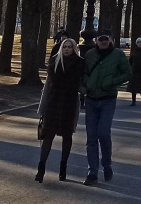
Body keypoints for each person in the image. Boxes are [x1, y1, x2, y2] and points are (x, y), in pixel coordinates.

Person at [81, 31, 131, 185]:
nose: (102, 41)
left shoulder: (118, 55)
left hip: (108, 99)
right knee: (91, 138)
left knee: (103, 133)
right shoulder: (89, 55)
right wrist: (85, 86)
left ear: (111, 40)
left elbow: (128, 73)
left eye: (105, 39)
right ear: (96, 40)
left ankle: (107, 164)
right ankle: (92, 172)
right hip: (91, 99)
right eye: (100, 39)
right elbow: (82, 73)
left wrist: (111, 82)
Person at [36, 37, 83, 182]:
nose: (67, 49)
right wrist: (41, 108)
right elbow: (47, 86)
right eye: (65, 47)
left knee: (67, 136)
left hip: (69, 105)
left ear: (74, 48)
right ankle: (41, 168)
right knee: (47, 136)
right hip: (53, 104)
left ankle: (63, 168)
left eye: (70, 47)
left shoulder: (80, 63)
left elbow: (82, 84)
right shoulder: (54, 62)